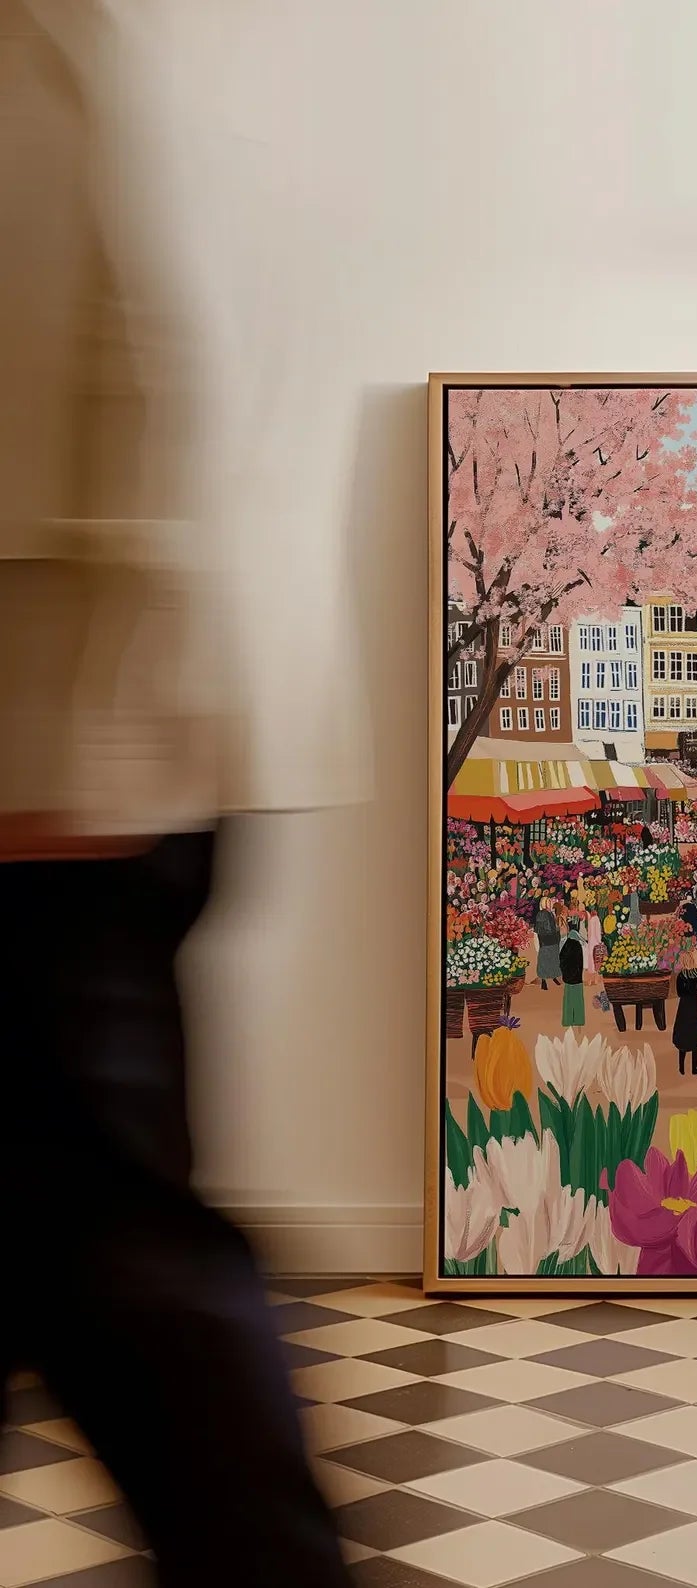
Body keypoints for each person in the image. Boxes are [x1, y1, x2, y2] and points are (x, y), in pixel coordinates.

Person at [1, 13, 355, 1580]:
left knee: (119, 1252)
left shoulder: (62, 40)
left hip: (61, 745)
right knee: (101, 1235)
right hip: (98, 729)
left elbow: (152, 349)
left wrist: (81, 732)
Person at [672, 952, 697, 1075]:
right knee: (694, 1032)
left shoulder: (681, 976)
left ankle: (681, 1068)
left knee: (682, 1031)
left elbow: (679, 992)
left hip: (684, 1005)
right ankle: (694, 1068)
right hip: (694, 1004)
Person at [559, 923, 586, 1029]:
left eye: (563, 927)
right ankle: (578, 1019)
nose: (561, 930)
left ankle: (569, 1019)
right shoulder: (575, 943)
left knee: (570, 999)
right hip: (576, 976)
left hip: (571, 976)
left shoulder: (570, 943)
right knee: (577, 998)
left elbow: (564, 959)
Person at [533, 897, 561, 989]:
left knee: (552, 959)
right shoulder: (543, 914)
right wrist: (556, 930)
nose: (550, 904)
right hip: (547, 940)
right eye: (548, 902)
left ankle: (553, 976)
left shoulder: (548, 913)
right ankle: (544, 980)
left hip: (550, 940)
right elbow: (547, 929)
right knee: (545, 960)